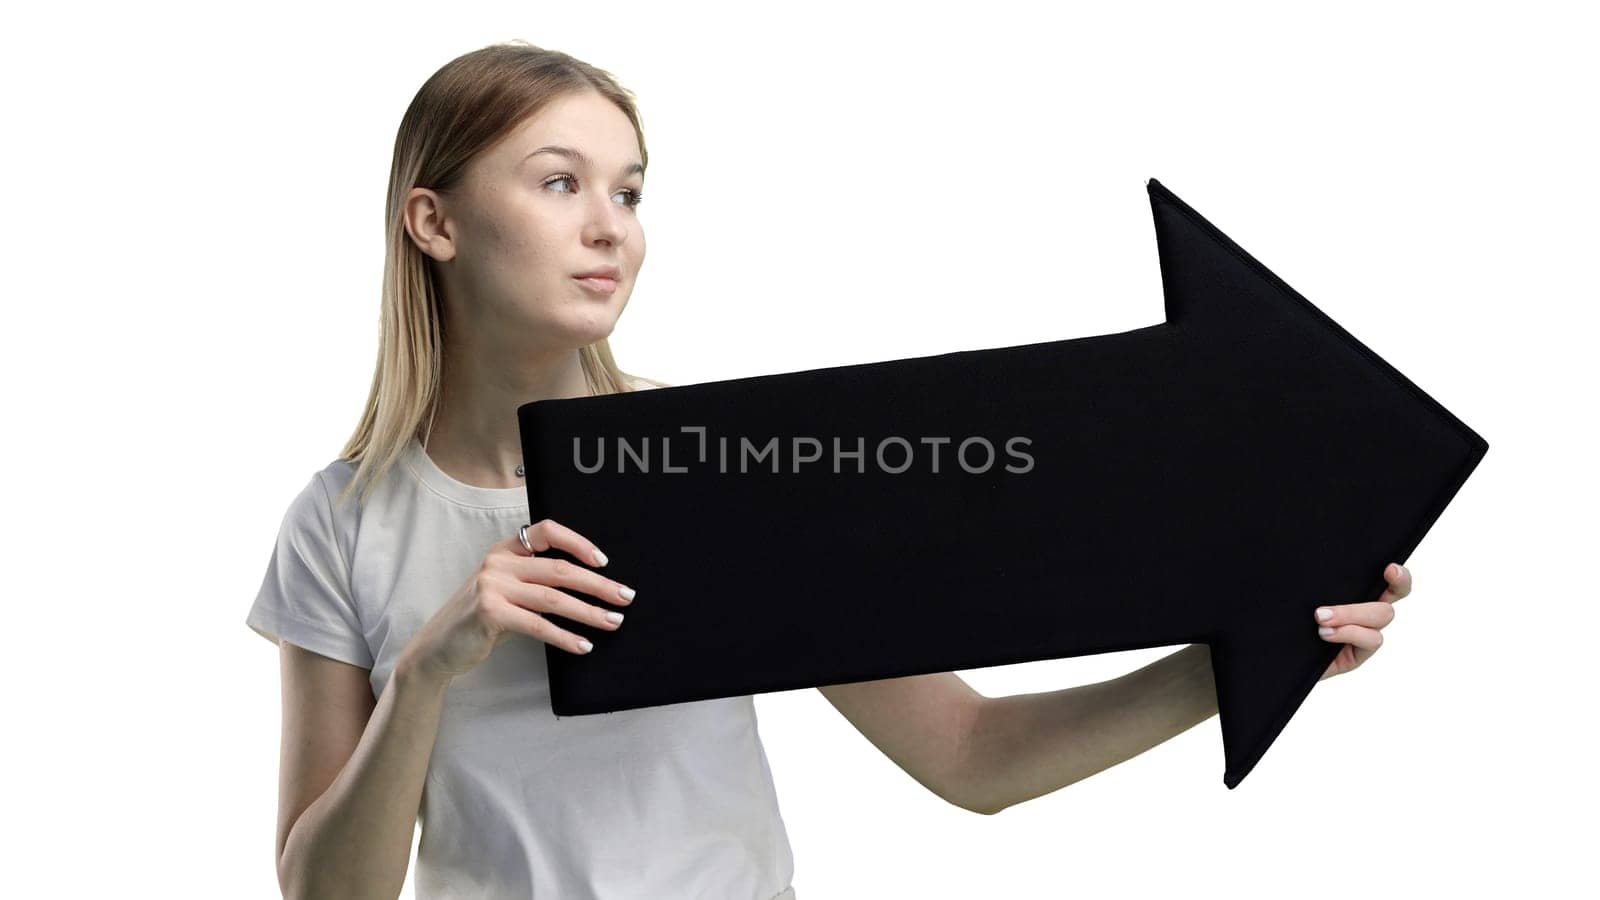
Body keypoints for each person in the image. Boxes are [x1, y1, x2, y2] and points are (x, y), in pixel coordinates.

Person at [246, 40, 1412, 900]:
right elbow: (322, 891)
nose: (611, 226)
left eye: (631, 190)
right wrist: (427, 673)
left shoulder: (726, 461)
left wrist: (1253, 656)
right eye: (560, 182)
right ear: (433, 222)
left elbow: (970, 757)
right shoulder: (342, 523)